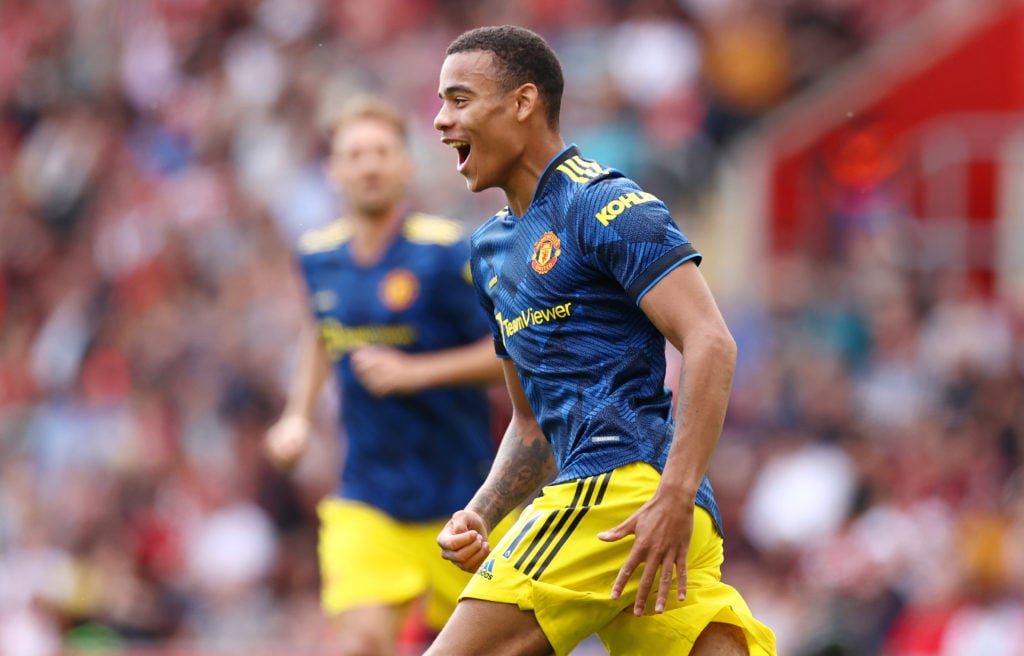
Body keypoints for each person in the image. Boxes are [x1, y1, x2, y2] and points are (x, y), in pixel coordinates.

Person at [427, 25, 777, 656]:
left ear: (523, 103)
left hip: (619, 490)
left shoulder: (606, 203)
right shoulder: (490, 250)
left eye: (459, 100)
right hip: (644, 517)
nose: (440, 120)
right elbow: (532, 427)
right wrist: (483, 512)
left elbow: (710, 342)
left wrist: (673, 492)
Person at [264, 95, 506, 655]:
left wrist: (414, 372)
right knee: (360, 644)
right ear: (334, 171)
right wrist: (296, 417)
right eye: (355, 154)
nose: (369, 165)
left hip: (465, 501)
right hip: (368, 497)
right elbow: (321, 332)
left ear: (407, 166)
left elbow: (507, 354)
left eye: (381, 152)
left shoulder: (446, 253)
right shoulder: (317, 256)